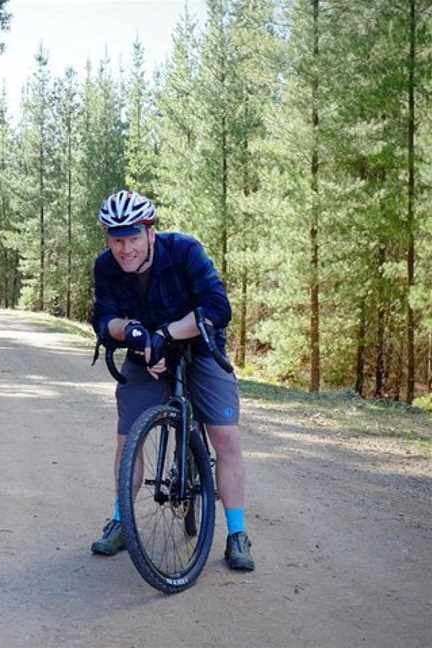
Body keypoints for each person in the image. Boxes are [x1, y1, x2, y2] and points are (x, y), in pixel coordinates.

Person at [89, 189, 255, 571]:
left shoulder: (184, 251)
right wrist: (129, 332)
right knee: (127, 437)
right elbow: (104, 317)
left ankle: (237, 533)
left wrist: (166, 334)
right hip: (144, 355)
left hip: (199, 346)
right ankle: (120, 519)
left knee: (226, 436)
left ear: (150, 232)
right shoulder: (106, 266)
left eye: (132, 238)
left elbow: (217, 307)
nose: (125, 249)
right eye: (117, 240)